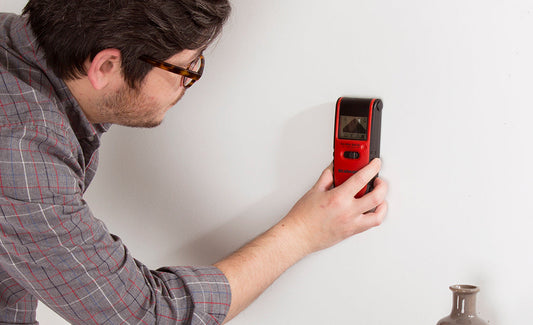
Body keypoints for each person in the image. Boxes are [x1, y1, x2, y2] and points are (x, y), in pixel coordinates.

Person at [0, 0, 388, 324]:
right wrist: (302, 233)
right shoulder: (24, 154)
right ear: (105, 67)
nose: (187, 84)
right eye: (184, 69)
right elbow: (151, 316)